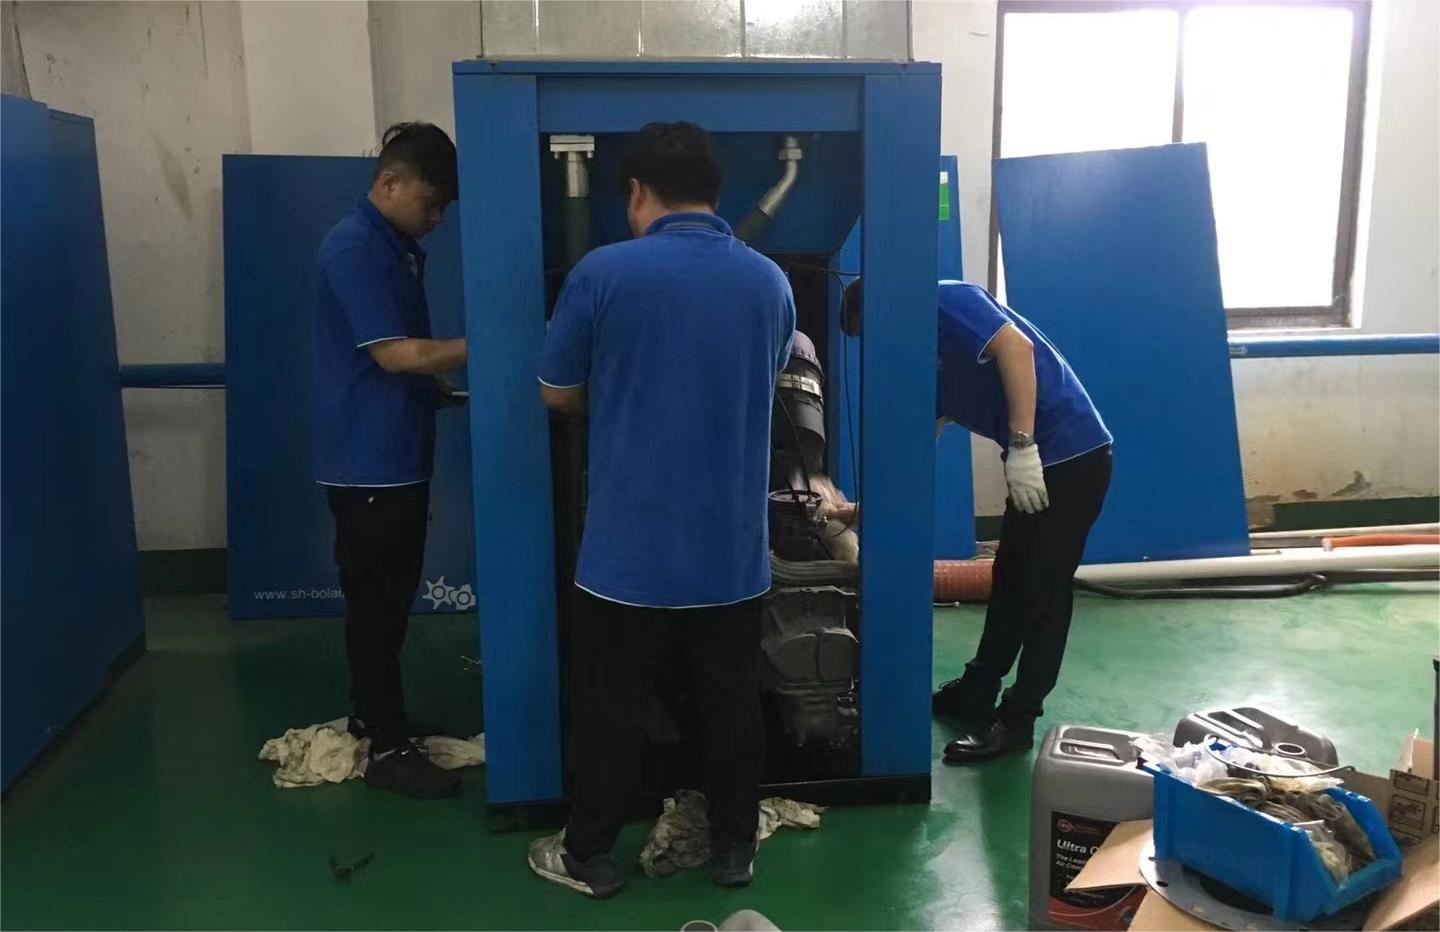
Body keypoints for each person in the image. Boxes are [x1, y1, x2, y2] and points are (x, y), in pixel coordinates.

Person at [528, 122, 795, 899]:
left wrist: (618, 396)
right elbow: (769, 374)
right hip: (730, 552)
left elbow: (555, 392)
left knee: (612, 705)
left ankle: (589, 855)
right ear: (716, 192)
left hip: (627, 553)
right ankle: (734, 849)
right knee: (730, 701)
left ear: (637, 192)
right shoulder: (769, 282)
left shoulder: (602, 272)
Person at [840, 279, 1111, 763]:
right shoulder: (926, 363)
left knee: (1045, 591)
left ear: (885, 309)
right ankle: (977, 690)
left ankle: (1019, 720)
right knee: (1010, 579)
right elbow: (916, 450)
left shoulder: (947, 300)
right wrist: (866, 507)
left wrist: (1023, 445)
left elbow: (1017, 348)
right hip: (1038, 464)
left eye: (872, 333)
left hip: (1073, 456)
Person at [312, 122, 467, 799]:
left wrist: (434, 386)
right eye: (431, 203)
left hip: (395, 453)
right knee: (377, 605)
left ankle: (377, 718)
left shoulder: (394, 247)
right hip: (368, 462)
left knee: (391, 601)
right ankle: (386, 749)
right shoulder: (354, 247)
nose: (437, 219)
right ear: (390, 182)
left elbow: (403, 358)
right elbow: (394, 353)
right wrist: (495, 341)